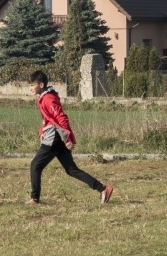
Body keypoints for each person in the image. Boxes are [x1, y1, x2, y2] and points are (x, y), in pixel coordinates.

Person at [28, 70, 113, 205]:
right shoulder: (44, 97)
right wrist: (42, 131)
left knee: (35, 165)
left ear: (42, 84)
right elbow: (48, 119)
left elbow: (61, 118)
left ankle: (34, 198)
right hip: (55, 136)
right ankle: (103, 189)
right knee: (71, 170)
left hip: (55, 138)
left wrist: (67, 138)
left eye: (32, 85)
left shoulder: (49, 99)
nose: (30, 88)